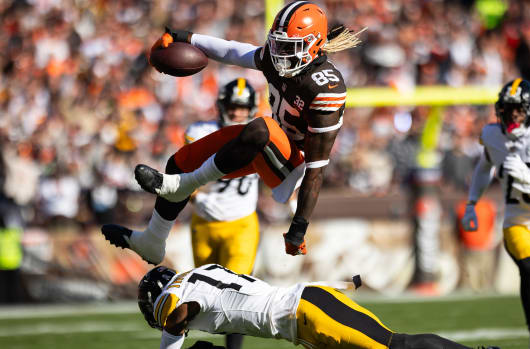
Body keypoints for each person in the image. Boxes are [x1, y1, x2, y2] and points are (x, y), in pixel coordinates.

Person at [102, 1, 364, 264]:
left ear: (314, 44)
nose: (280, 53)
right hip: (264, 146)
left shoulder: (325, 89)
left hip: (293, 167)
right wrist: (186, 37)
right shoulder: (276, 60)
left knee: (261, 127)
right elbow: (231, 50)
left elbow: (316, 169)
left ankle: (185, 185)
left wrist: (299, 227)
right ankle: (153, 240)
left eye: (289, 47)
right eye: (277, 44)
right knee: (180, 161)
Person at [138, 264, 500, 349]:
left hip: (307, 313)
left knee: (396, 345)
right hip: (305, 314)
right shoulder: (204, 272)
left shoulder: (178, 290)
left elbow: (176, 312)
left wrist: (170, 339)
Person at [461, 79, 530, 349]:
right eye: (509, 109)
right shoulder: (492, 135)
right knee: (528, 267)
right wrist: (471, 203)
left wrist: (529, 178)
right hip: (517, 221)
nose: (513, 115)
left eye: (519, 110)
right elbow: (483, 166)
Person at [184, 78, 261, 349]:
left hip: (241, 225)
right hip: (204, 223)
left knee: (235, 293)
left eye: (243, 107)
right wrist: (196, 197)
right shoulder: (201, 132)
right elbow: (181, 176)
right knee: (202, 293)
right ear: (221, 106)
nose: (238, 112)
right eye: (233, 106)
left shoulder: (262, 135)